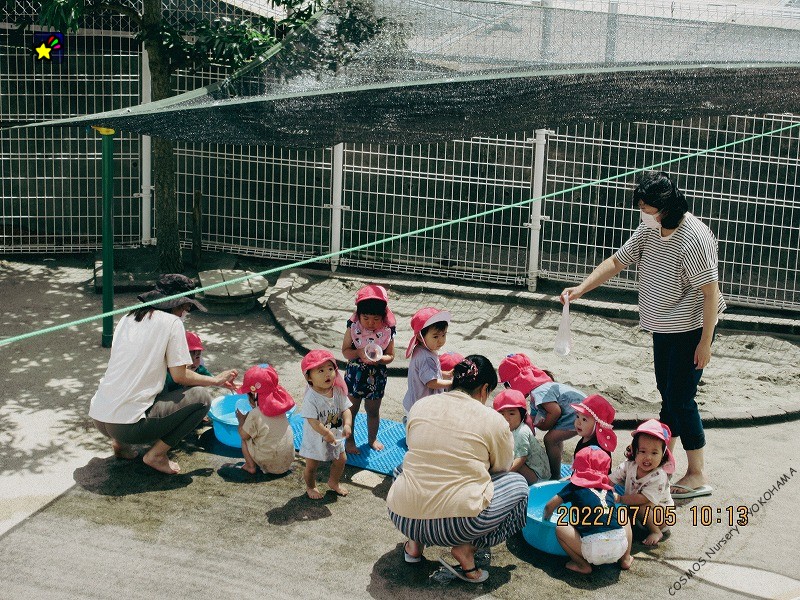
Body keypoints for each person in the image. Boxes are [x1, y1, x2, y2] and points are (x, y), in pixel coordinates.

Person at [561, 171, 725, 499]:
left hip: (691, 328)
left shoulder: (694, 238)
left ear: (665, 207)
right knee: (668, 393)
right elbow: (616, 261)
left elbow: (709, 293)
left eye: (646, 207)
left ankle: (697, 474)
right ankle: (665, 461)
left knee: (681, 399)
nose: (641, 212)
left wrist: (705, 342)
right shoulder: (649, 229)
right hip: (663, 325)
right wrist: (581, 289)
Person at [387, 355, 529, 584]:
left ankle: (414, 545)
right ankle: (467, 548)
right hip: (457, 526)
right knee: (519, 485)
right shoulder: (493, 420)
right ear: (484, 389)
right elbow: (501, 469)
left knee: (404, 468)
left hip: (403, 516)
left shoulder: (420, 406)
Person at [89, 274, 238, 474]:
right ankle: (156, 455)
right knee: (202, 398)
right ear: (177, 304)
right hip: (128, 427)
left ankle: (120, 445)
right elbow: (180, 376)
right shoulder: (172, 323)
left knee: (143, 384)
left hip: (100, 416)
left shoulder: (128, 317)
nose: (185, 313)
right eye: (186, 308)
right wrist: (216, 380)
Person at [544, 446, 634, 574]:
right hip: (619, 547)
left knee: (560, 528)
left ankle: (582, 565)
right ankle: (625, 558)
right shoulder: (608, 490)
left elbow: (549, 505)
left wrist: (546, 518)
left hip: (593, 550)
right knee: (623, 515)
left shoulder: (574, 487)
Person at [498, 353, 582, 480]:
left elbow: (555, 411)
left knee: (550, 440)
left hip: (578, 414)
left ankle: (555, 476)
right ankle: (555, 469)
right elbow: (533, 417)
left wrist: (544, 426)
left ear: (519, 380)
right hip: (576, 412)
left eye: (508, 385)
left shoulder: (540, 391)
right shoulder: (535, 393)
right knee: (555, 440)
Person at [341, 284, 396, 453]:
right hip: (355, 374)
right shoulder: (353, 328)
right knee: (351, 409)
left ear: (383, 316)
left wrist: (380, 359)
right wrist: (358, 352)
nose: (371, 323)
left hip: (376, 375)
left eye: (376, 319)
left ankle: (372, 439)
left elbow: (391, 356)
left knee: (373, 410)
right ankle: (349, 442)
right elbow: (345, 352)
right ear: (359, 315)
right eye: (366, 318)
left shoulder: (388, 330)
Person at [611, 419, 675, 546]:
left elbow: (644, 498)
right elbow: (611, 479)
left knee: (640, 508)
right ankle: (636, 528)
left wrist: (620, 499)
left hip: (661, 514)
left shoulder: (659, 476)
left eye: (654, 453)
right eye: (643, 451)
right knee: (625, 512)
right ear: (634, 451)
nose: (648, 457)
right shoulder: (629, 465)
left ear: (663, 455)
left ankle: (656, 531)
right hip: (638, 508)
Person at [299, 349, 353, 499]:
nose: (327, 374)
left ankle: (333, 482)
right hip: (316, 438)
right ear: (309, 377)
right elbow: (313, 421)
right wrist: (325, 433)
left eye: (330, 369)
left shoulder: (337, 391)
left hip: (335, 434)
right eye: (320, 371)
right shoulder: (311, 397)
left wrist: (347, 424)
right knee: (311, 466)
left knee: (341, 460)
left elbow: (346, 409)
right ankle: (311, 486)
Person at [234, 364, 296, 476]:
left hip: (269, 465)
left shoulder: (255, 413)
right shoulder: (280, 407)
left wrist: (241, 420)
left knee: (245, 438)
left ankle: (250, 466)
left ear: (254, 395)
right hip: (287, 462)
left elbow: (243, 435)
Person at [402, 307, 453, 418]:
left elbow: (429, 372)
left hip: (414, 403)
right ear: (421, 337)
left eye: (443, 335)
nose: (441, 340)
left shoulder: (421, 349)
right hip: (421, 409)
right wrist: (452, 383)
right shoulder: (426, 358)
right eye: (435, 336)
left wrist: (446, 374)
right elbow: (432, 382)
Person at [493, 389, 551, 484]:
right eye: (501, 414)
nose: (506, 418)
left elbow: (521, 459)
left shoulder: (521, 432)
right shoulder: (506, 429)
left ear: (522, 414)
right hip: (524, 465)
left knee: (515, 462)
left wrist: (501, 477)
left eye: (511, 413)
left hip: (538, 476)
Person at [572, 394, 617, 467]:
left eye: (584, 419)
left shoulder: (596, 451)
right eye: (577, 416)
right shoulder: (584, 439)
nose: (578, 422)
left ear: (597, 425)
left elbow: (595, 476)